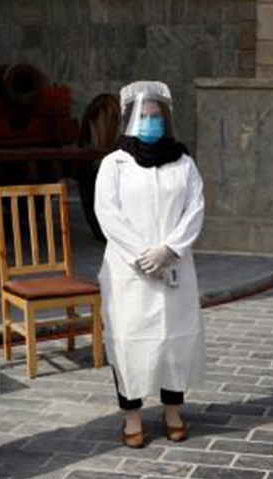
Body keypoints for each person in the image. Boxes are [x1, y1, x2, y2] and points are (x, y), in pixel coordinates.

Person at [94, 81, 206, 449]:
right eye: (143, 116)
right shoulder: (115, 164)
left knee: (173, 341)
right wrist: (143, 254)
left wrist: (169, 249)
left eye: (156, 116)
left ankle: (173, 410)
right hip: (130, 271)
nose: (150, 122)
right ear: (129, 119)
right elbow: (107, 213)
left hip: (173, 267)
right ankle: (131, 415)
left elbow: (195, 209)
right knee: (129, 342)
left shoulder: (184, 162)